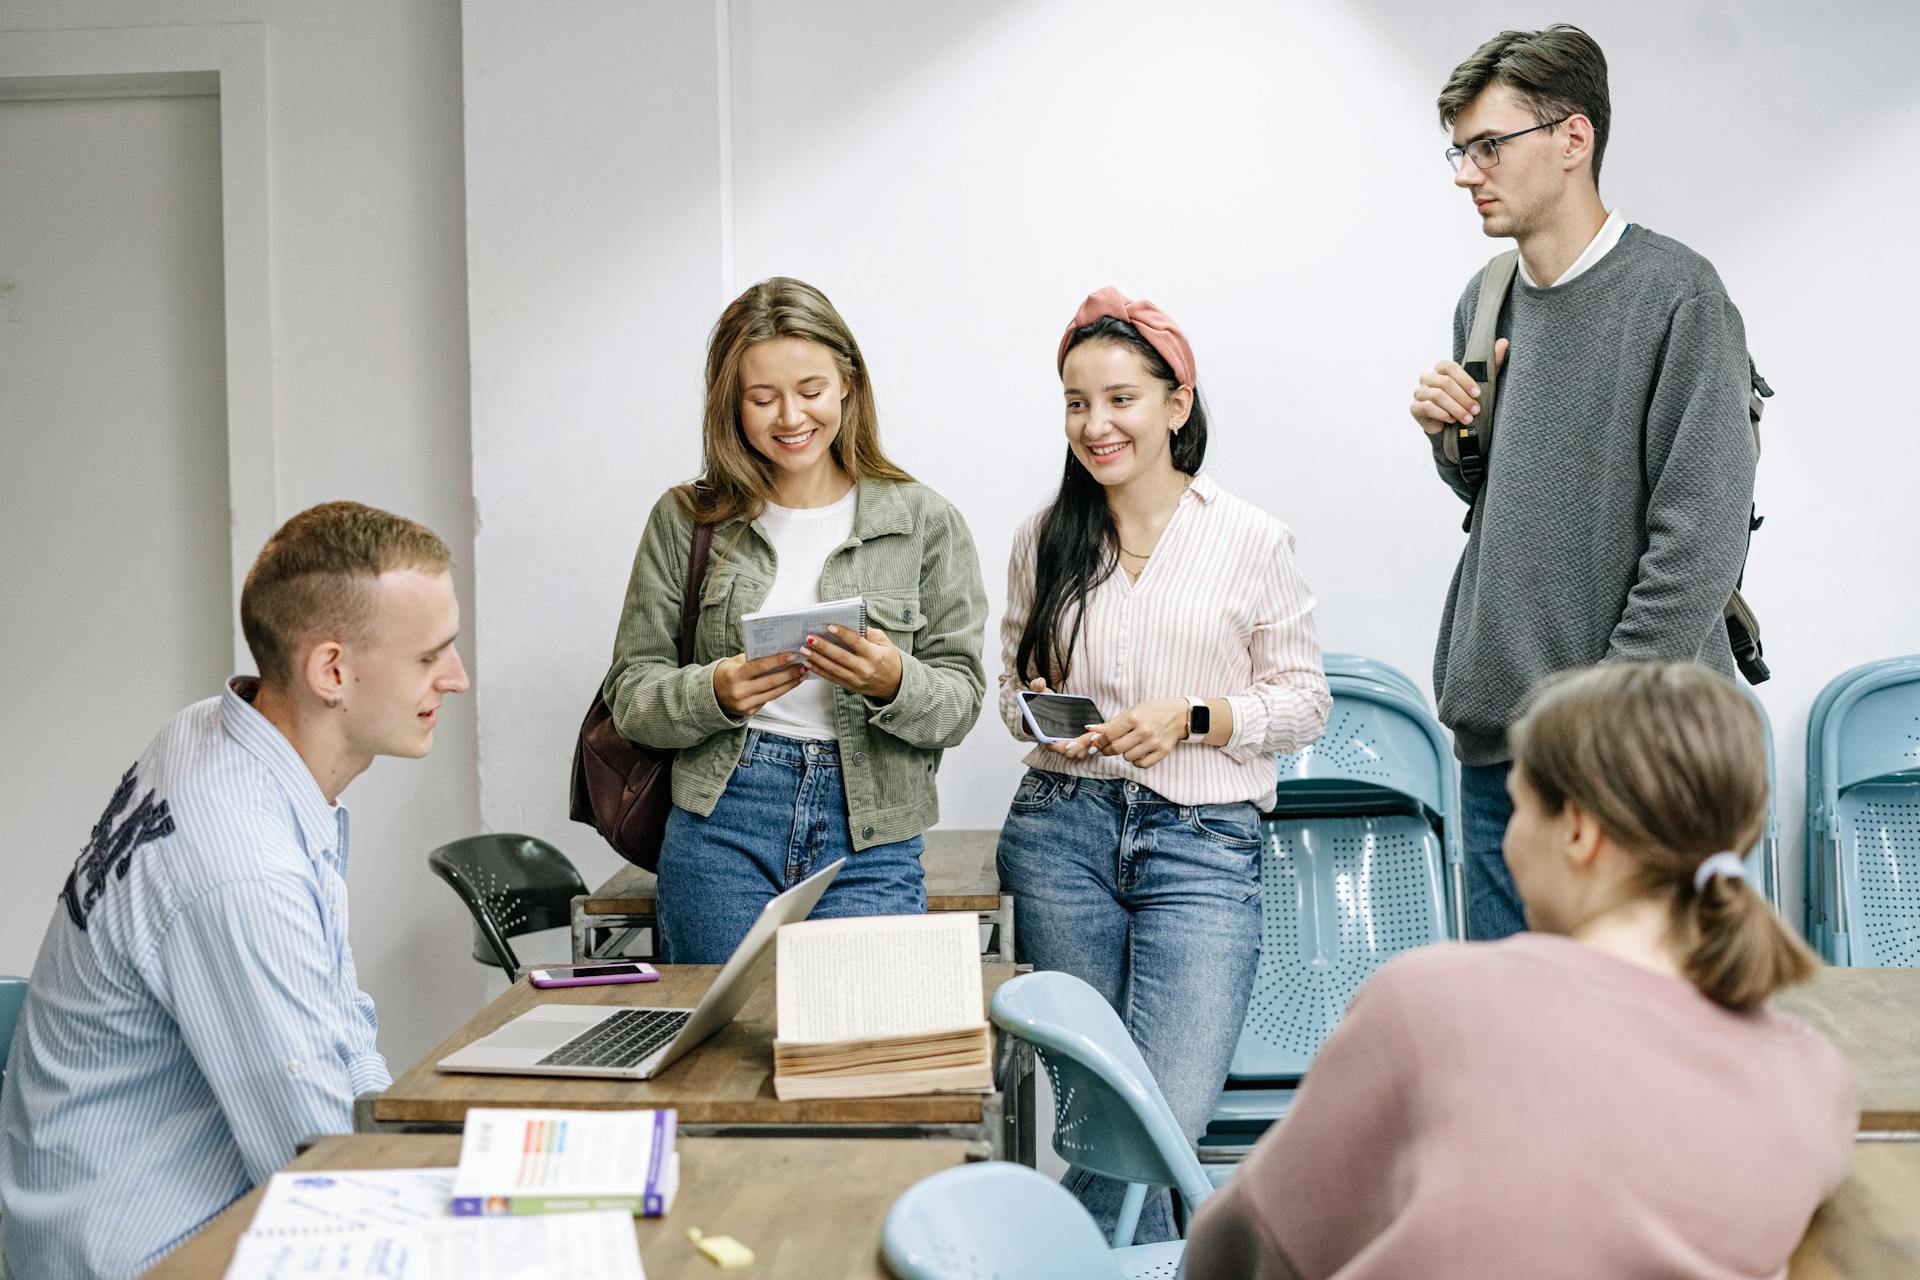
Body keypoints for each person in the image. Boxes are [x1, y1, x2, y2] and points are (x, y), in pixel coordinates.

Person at [1184, 661, 1853, 1280]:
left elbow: (1244, 1250)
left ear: (1578, 832)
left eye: (1520, 806)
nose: (1507, 837)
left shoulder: (1434, 1001)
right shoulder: (1814, 1079)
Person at [0, 502, 470, 1278]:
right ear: (330, 671)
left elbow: (337, 1032)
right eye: (430, 657)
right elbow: (321, 1167)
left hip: (140, 1208)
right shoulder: (241, 865)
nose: (455, 678)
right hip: (143, 1250)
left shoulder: (213, 731)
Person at [1406, 24, 1760, 940]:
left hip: (1632, 760)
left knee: (1644, 1053)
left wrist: (1593, 728)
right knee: (1512, 1053)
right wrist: (1455, 443)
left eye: (1490, 145)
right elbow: (1507, 503)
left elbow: (1700, 543)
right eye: (1460, 148)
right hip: (1499, 755)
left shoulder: (1679, 296)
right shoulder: (1483, 299)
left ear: (1573, 139)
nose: (1465, 171)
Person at [996, 286, 1330, 1244]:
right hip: (1061, 837)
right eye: (1074, 403)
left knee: (1158, 1120)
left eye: (1120, 399)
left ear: (1177, 404)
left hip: (1204, 846)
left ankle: (1054, 1260)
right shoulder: (1043, 539)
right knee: (1097, 1118)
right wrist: (1044, 718)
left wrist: (1194, 716)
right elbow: (1008, 692)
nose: (1094, 425)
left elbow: (1304, 701)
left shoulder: (1252, 537)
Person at [604, 276, 987, 963]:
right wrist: (714, 692)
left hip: (871, 829)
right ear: (731, 403)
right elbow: (631, 694)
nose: (789, 417)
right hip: (722, 820)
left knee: (856, 1054)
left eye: (810, 390)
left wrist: (894, 680)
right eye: (762, 397)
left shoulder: (925, 522)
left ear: (847, 383)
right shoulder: (685, 522)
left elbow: (961, 703)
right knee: (717, 1056)